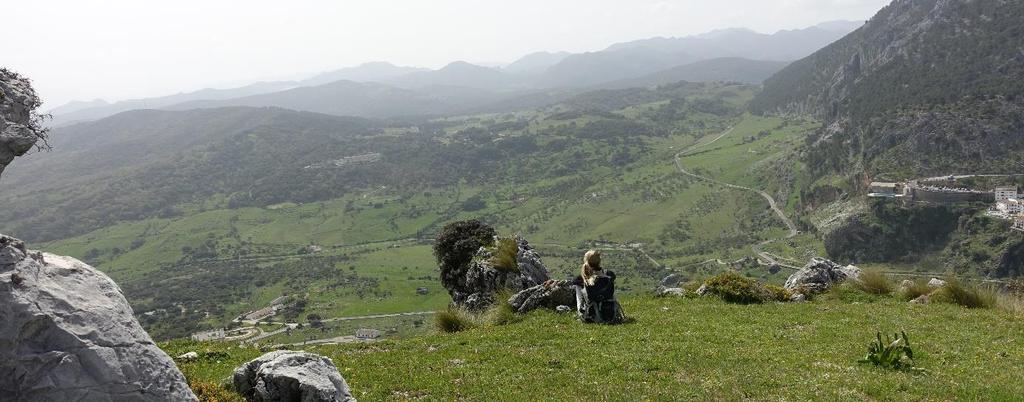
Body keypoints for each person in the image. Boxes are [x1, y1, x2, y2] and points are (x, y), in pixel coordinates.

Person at [562, 250, 625, 324]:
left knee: (578, 287)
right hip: (610, 315)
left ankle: (581, 312)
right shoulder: (609, 274)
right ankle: (614, 311)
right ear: (599, 261)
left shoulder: (581, 278)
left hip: (590, 317)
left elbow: (573, 282)